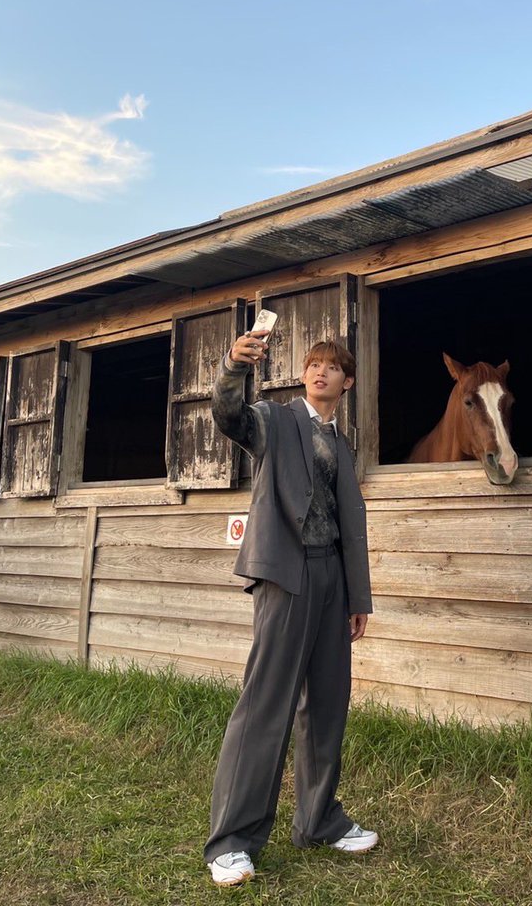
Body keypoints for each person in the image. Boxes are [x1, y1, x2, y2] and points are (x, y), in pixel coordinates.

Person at [203, 326, 376, 887]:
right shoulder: (275, 421)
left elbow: (351, 525)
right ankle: (232, 841)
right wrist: (234, 366)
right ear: (304, 375)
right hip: (286, 573)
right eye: (313, 364)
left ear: (347, 383)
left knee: (327, 703)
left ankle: (319, 821)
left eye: (332, 366)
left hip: (332, 579)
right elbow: (227, 415)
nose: (320, 371)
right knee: (267, 703)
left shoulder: (342, 445)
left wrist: (356, 596)